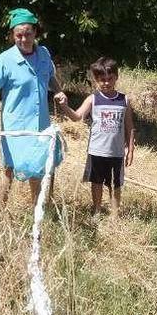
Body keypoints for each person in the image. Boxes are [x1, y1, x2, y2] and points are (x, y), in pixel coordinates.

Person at [0, 8, 67, 204]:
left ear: (35, 32)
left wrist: (58, 90)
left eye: (28, 34)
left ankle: (41, 210)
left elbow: (50, 75)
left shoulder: (44, 54)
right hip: (16, 125)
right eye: (18, 35)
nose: (23, 39)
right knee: (10, 169)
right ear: (12, 35)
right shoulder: (6, 60)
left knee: (45, 167)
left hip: (41, 124)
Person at [57, 57, 135, 216]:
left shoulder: (124, 100)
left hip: (117, 152)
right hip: (97, 150)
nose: (106, 83)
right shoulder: (93, 99)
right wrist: (64, 106)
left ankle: (114, 214)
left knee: (115, 184)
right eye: (102, 80)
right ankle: (97, 210)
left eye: (109, 79)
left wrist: (131, 149)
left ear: (116, 77)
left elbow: (129, 126)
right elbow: (77, 116)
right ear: (96, 80)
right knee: (97, 182)